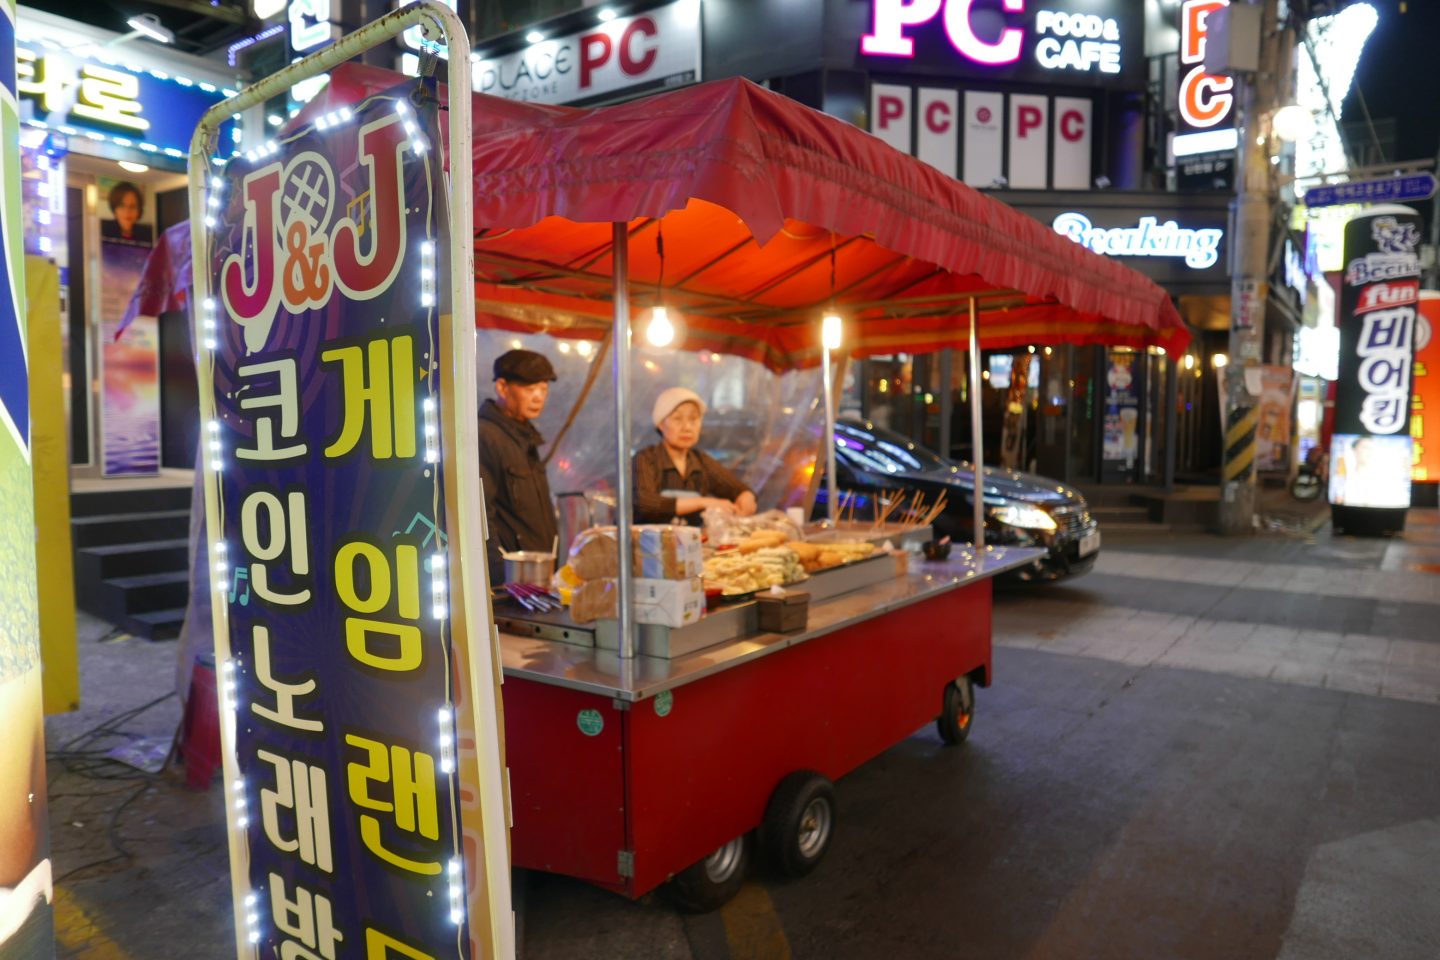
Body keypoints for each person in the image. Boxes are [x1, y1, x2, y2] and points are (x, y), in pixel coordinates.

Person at [477, 349, 560, 585]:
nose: (538, 397)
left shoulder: (526, 437)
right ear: (502, 388)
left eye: (543, 389)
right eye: (529, 388)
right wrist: (497, 579)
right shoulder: (485, 436)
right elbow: (482, 515)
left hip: (538, 577)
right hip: (510, 584)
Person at [634, 387, 756, 526]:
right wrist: (703, 502)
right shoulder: (645, 459)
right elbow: (646, 503)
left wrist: (746, 496)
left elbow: (736, 488)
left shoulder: (701, 461)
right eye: (677, 419)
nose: (687, 427)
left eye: (693, 419)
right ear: (661, 424)